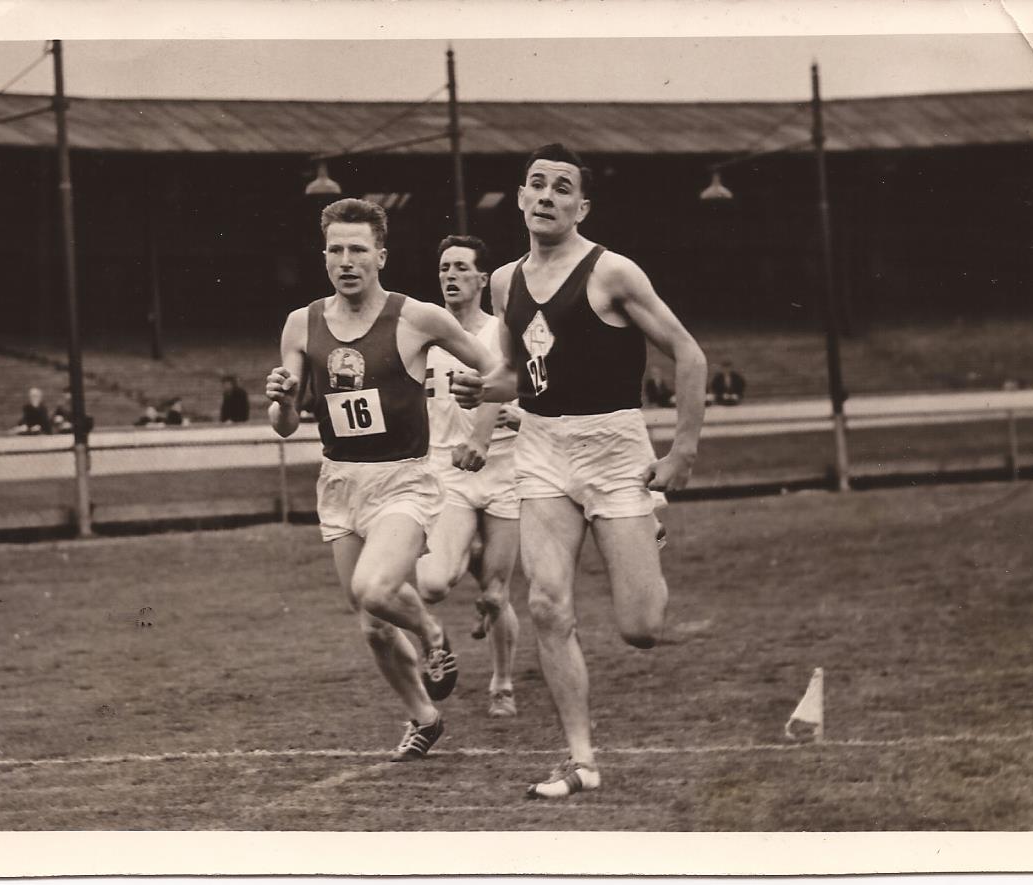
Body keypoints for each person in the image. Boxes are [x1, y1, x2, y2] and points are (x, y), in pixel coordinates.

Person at [451, 143, 707, 798]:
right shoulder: (505, 280)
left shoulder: (611, 272)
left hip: (615, 447)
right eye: (536, 184)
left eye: (562, 188)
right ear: (519, 196)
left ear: (581, 205)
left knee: (641, 628)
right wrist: (481, 390)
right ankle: (581, 759)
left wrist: (680, 452)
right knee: (544, 601)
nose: (546, 196)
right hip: (540, 447)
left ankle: (648, 524)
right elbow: (515, 372)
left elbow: (689, 354)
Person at [266, 198, 495, 762]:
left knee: (376, 589)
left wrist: (485, 403)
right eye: (336, 250)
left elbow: (495, 368)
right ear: (324, 257)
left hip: (404, 481)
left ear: (381, 255)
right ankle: (423, 715)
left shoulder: (417, 317)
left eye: (358, 250)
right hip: (340, 482)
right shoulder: (303, 323)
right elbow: (286, 423)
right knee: (370, 626)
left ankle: (434, 636)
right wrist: (280, 401)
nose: (346, 261)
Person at [416, 234, 523, 719]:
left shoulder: (503, 335)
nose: (450, 276)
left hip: (505, 472)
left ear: (483, 278)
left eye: (461, 267)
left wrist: (511, 417)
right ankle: (460, 565)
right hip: (448, 472)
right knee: (434, 582)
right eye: (444, 268)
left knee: (496, 594)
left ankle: (502, 682)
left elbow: (537, 404)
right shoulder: (425, 337)